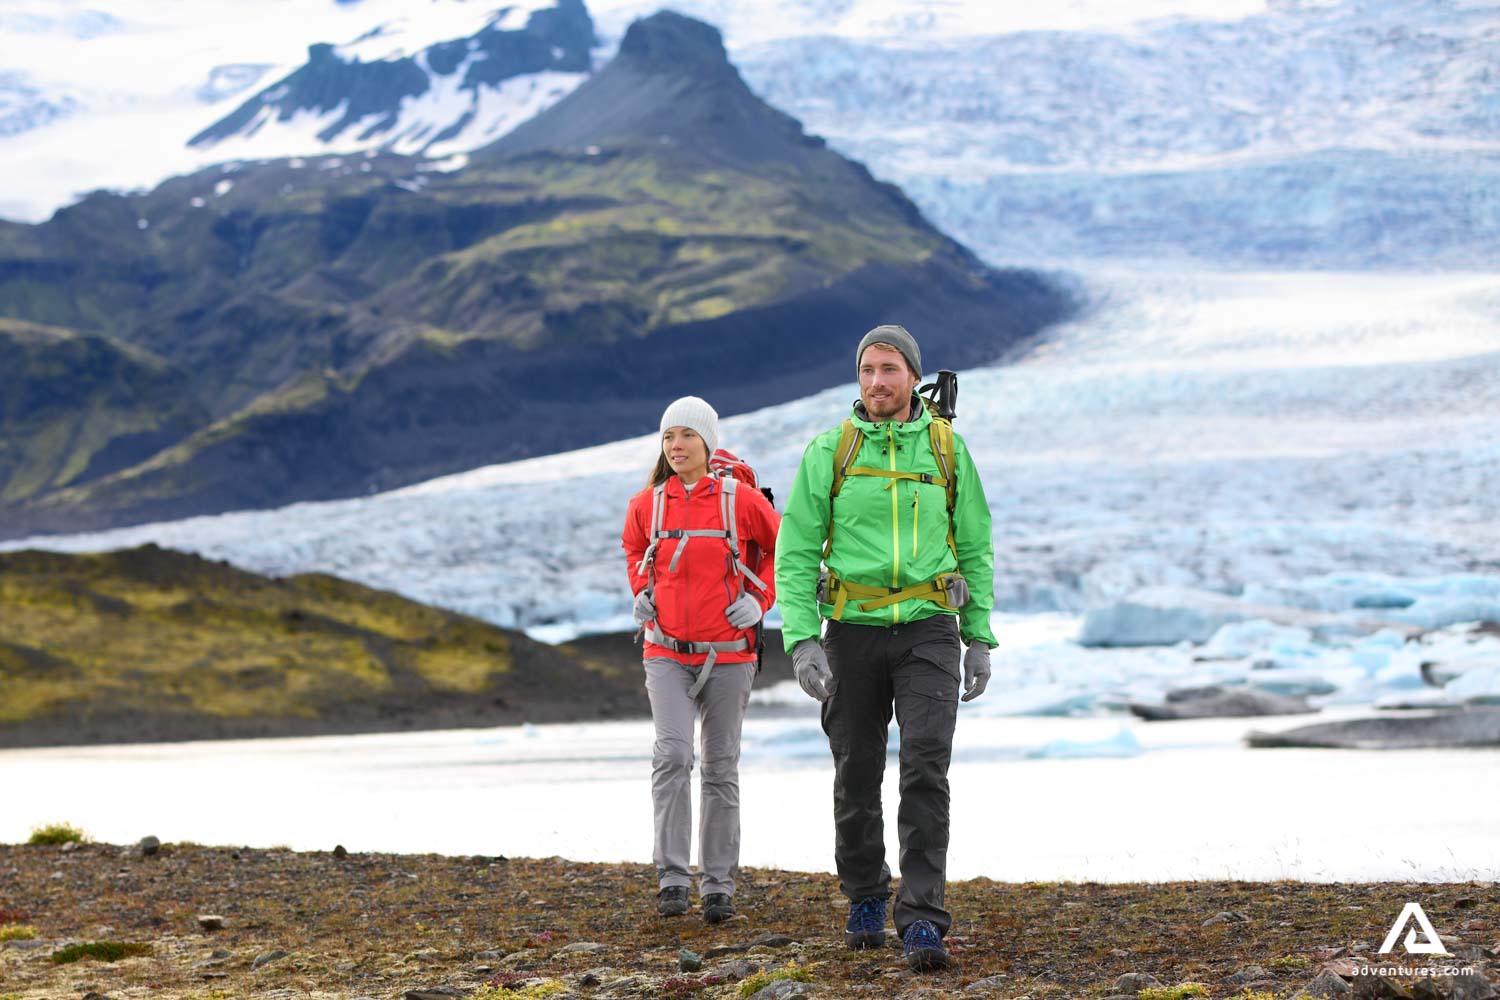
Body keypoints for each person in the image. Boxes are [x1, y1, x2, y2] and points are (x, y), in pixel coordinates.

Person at [774, 325, 996, 971]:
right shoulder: (831, 451)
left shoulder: (947, 450)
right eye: (867, 369)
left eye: (890, 369)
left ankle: (923, 917)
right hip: (851, 628)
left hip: (929, 624)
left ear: (912, 377)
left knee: (926, 766)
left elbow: (975, 546)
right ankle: (866, 894)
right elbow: (794, 553)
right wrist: (801, 641)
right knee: (856, 770)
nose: (876, 381)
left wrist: (978, 635)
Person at [622, 396, 781, 923]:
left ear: (707, 443)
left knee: (719, 766)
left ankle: (718, 886)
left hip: (731, 654)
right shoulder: (649, 503)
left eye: (687, 436)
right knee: (672, 755)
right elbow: (633, 549)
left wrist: (759, 600)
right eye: (669, 437)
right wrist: (641, 589)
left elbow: (788, 548)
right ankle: (671, 878)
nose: (677, 445)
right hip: (664, 650)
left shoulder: (740, 500)